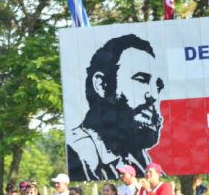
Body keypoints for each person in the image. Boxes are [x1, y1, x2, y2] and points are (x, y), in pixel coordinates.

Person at [67, 33, 166, 179]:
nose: (153, 95)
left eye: (157, 86)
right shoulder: (79, 153)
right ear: (101, 85)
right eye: (141, 80)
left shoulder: (137, 155)